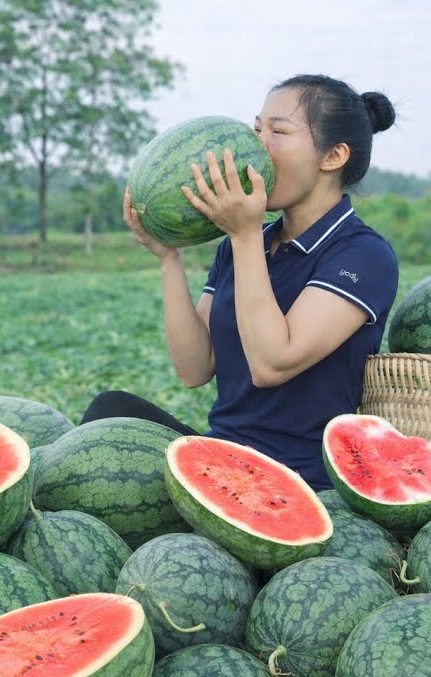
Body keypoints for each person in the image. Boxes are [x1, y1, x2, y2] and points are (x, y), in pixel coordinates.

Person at [83, 74, 399, 491]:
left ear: (333, 156)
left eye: (278, 131)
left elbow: (272, 364)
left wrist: (246, 234)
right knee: (111, 410)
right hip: (222, 458)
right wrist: (169, 259)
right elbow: (195, 369)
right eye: (256, 129)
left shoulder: (363, 254)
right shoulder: (244, 244)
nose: (256, 144)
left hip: (299, 481)